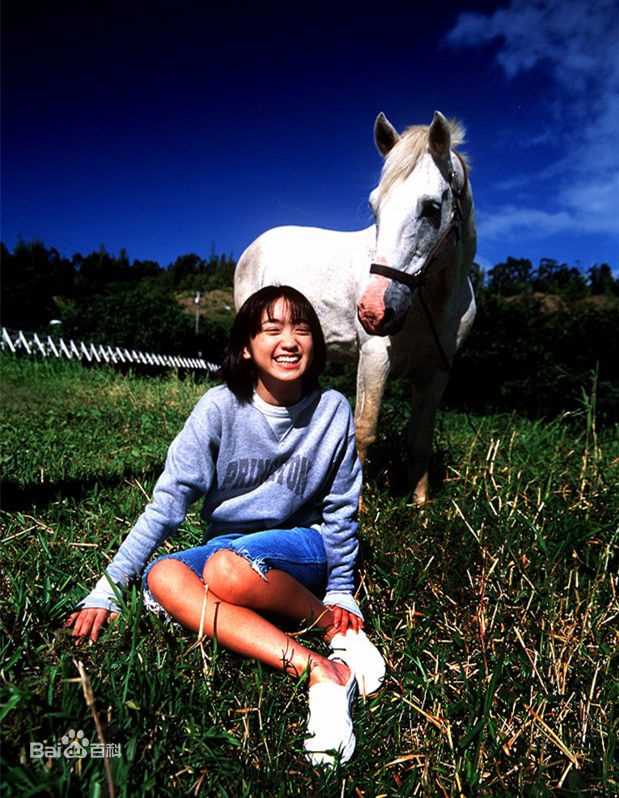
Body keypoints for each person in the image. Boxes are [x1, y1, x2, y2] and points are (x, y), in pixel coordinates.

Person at [66, 284, 385, 766]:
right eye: (271, 329)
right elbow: (168, 503)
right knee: (163, 576)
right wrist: (109, 588)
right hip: (230, 549)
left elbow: (341, 508)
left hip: (304, 545)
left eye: (301, 329)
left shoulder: (331, 409)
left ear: (315, 344)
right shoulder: (218, 408)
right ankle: (321, 670)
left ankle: (329, 624)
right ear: (245, 347)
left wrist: (341, 591)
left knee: (226, 570)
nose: (289, 340)